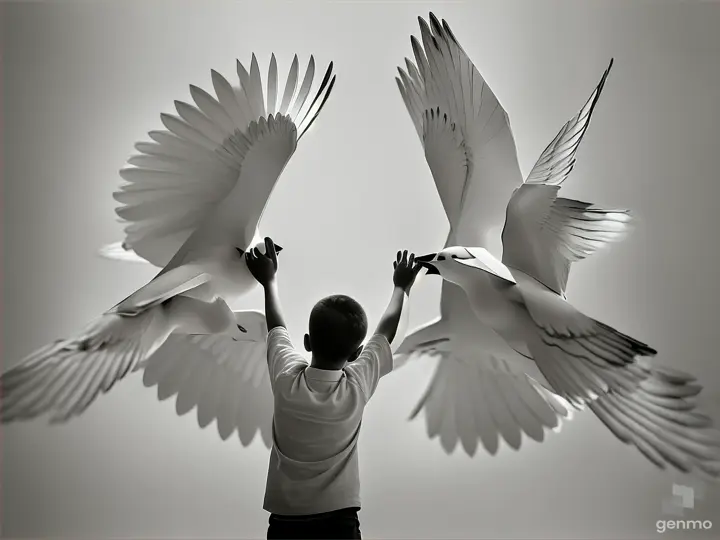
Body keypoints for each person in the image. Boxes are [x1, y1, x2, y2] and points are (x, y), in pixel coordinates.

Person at [245, 237, 423, 540]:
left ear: (307, 342)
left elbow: (276, 327)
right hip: (339, 521)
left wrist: (268, 280)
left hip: (286, 521)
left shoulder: (286, 379)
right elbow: (385, 332)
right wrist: (401, 288)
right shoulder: (356, 386)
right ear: (356, 354)